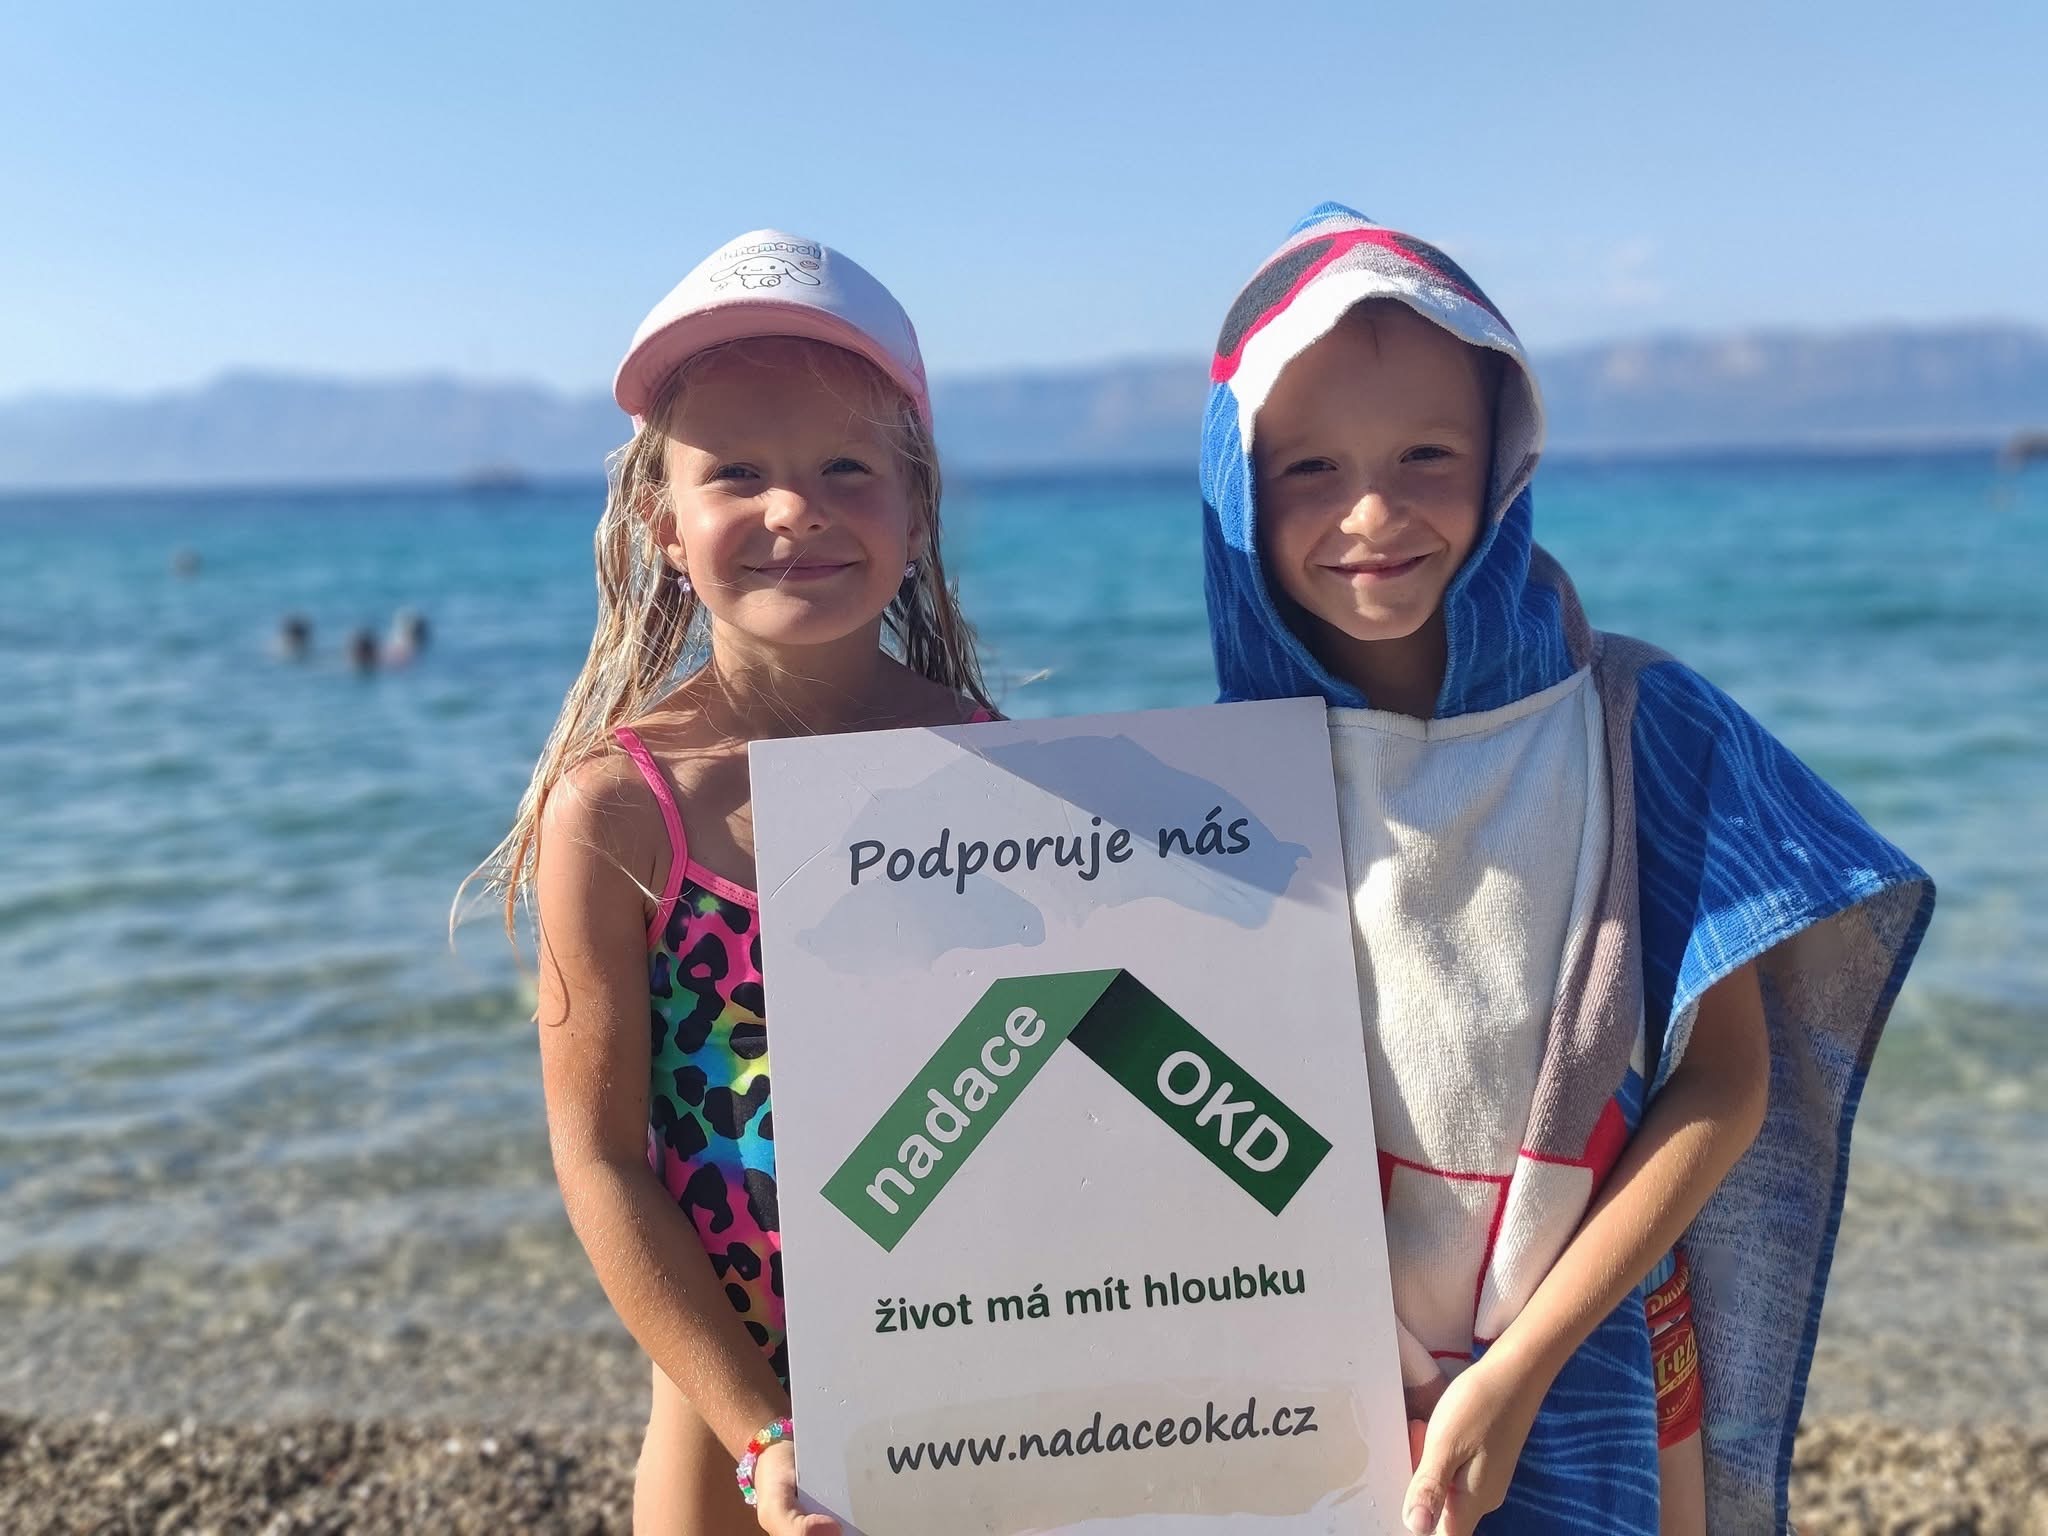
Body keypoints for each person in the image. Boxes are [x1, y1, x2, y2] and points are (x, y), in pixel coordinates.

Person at [1198, 204, 1932, 1535]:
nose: (1372, 512)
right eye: (1309, 468)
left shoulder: (1636, 727)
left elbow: (1725, 1084)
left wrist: (1517, 1375)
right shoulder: (1207, 798)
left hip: (1597, 1354)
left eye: (1427, 454)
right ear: (1234, 492)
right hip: (1320, 1378)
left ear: (1507, 455)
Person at [473, 230, 992, 1536]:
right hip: (728, 1428)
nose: (794, 510)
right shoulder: (620, 810)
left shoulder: (998, 773)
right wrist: (761, 1427)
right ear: (664, 523)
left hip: (967, 1382)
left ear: (916, 506)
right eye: (737, 473)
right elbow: (600, 1161)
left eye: (845, 469)